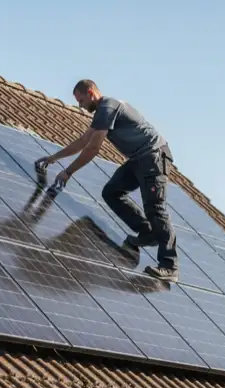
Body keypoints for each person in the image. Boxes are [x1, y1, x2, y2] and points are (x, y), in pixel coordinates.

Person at [34, 79, 178, 282]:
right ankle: (147, 232)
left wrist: (68, 172)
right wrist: (54, 158)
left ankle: (169, 266)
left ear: (92, 93)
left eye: (81, 100)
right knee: (111, 192)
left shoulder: (107, 107)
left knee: (156, 208)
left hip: (153, 156)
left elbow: (93, 148)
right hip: (138, 158)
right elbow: (84, 141)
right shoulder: (103, 112)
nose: (80, 106)